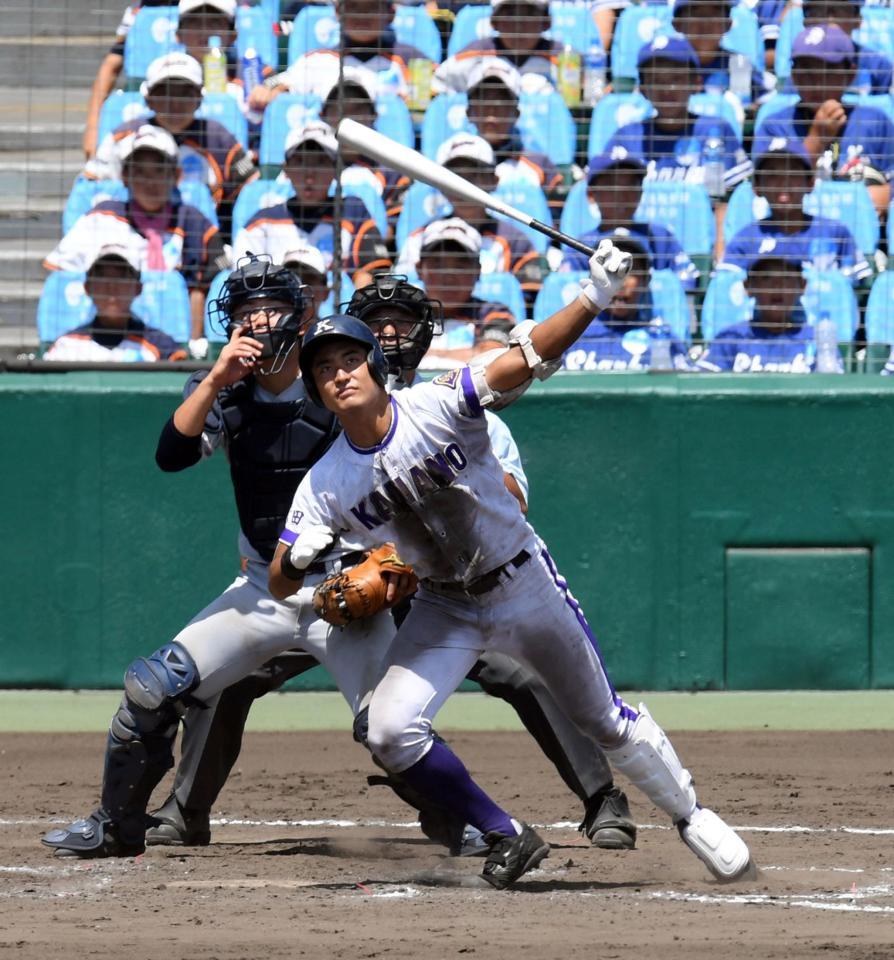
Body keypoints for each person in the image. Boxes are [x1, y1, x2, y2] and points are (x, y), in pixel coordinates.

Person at [271, 239, 755, 890]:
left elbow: (528, 357)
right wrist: (298, 560)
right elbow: (277, 578)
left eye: (351, 358)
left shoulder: (440, 404)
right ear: (315, 388)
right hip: (444, 606)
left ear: (375, 365)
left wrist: (596, 296)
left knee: (603, 721)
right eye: (324, 367)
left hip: (520, 580)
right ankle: (504, 832)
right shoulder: (325, 483)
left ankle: (692, 815)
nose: (340, 372)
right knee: (386, 730)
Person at [143, 273, 637, 854]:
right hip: (329, 593)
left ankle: (601, 798)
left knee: (518, 671)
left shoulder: (450, 405)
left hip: (436, 596)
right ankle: (186, 810)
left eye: (402, 321)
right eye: (375, 325)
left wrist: (398, 560)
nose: (389, 333)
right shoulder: (325, 405)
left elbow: (504, 501)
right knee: (232, 678)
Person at [40, 256, 398, 859]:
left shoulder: (333, 379)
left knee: (391, 726)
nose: (256, 320)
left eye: (271, 308)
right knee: (153, 690)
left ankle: (469, 823)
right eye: (243, 311)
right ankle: (116, 822)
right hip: (263, 587)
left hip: (345, 586)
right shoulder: (225, 389)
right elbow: (171, 456)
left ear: (300, 316)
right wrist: (213, 379)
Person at [44, 124, 227, 359]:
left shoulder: (193, 221)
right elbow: (61, 274)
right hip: (100, 335)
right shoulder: (101, 217)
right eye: (140, 171)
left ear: (176, 175)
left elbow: (202, 288)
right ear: (125, 177)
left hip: (166, 341)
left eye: (158, 170)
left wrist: (191, 343)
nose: (149, 181)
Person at [603, 34, 752, 254]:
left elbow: (729, 202)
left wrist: (720, 253)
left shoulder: (716, 131)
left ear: (696, 83)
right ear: (643, 89)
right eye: (657, 80)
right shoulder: (627, 137)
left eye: (676, 78)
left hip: (702, 248)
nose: (667, 89)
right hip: (633, 251)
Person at [86, 52, 258, 236]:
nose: (175, 104)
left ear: (199, 99)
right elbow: (91, 189)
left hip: (203, 240)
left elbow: (252, 190)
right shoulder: (122, 137)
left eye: (185, 94)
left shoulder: (218, 137)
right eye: (165, 93)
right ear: (148, 100)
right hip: (127, 236)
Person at [752, 24, 894, 215]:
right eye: (807, 72)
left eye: (828, 71)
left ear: (850, 74)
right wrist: (816, 138)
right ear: (794, 75)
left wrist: (887, 192)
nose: (816, 83)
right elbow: (771, 189)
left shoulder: (874, 122)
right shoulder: (775, 125)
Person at [231, 120, 391, 278]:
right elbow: (244, 282)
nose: (309, 174)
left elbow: (371, 273)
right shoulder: (261, 223)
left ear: (336, 169)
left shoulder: (353, 211)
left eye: (320, 162)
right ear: (286, 169)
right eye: (300, 162)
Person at [395, 134, 545, 302]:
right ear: (440, 184)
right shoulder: (418, 239)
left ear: (493, 181)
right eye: (455, 177)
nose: (464, 186)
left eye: (473, 175)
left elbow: (531, 301)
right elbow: (401, 295)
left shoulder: (517, 241)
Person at [719, 138, 870, 282]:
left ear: (810, 183)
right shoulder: (745, 240)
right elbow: (727, 292)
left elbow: (855, 291)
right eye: (773, 175)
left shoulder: (836, 233)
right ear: (757, 188)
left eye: (793, 173)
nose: (783, 182)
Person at [250, 0, 433, 111]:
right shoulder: (318, 60)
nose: (362, 16)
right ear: (338, 13)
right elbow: (275, 84)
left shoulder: (413, 60)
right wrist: (265, 91)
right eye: (353, 6)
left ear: (390, 13)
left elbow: (437, 96)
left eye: (371, 7)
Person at [560, 147, 699, 291]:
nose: (622, 195)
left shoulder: (660, 237)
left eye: (631, 185)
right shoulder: (578, 247)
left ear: (641, 192)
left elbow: (686, 286)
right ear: (591, 195)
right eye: (612, 186)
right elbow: (567, 293)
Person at [561, 238, 689, 371]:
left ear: (646, 280)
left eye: (629, 272)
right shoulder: (573, 334)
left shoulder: (661, 337)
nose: (621, 282)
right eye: (610, 272)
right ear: (593, 276)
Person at [43, 245, 187, 363]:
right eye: (102, 277)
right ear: (87, 288)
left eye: (122, 277)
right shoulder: (66, 347)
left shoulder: (164, 349)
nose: (111, 287)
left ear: (138, 288)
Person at [412, 218, 518, 367]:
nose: (449, 276)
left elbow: (491, 357)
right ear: (419, 269)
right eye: (439, 264)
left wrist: (421, 354)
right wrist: (468, 353)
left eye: (460, 265)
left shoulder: (494, 313)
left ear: (478, 271)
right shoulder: (403, 312)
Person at [697, 257, 820, 372]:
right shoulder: (730, 340)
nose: (776, 286)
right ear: (748, 286)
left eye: (786, 277)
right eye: (766, 277)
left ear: (802, 285)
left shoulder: (816, 342)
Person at [82, 0, 171, 159]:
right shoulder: (136, 13)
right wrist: (92, 127)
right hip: (141, 110)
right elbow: (110, 67)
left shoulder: (206, 9)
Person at [435, 0, 562, 88]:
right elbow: (437, 92)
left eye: (528, 14)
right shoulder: (471, 56)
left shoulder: (565, 60)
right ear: (494, 22)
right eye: (510, 14)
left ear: (546, 23)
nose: (519, 24)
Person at [802, 0, 893, 96]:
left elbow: (883, 108)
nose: (830, 20)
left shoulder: (878, 66)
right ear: (806, 21)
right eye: (819, 11)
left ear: (858, 20)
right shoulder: (799, 63)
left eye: (840, 11)